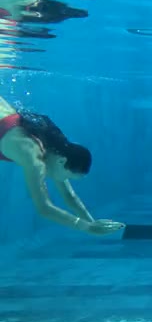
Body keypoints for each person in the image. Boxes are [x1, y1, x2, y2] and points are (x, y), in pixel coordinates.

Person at [0, 95, 125, 235]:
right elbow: (44, 208)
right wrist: (87, 227)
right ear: (62, 162)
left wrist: (92, 222)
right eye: (68, 176)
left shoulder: (57, 149)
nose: (65, 180)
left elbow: (70, 196)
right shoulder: (33, 159)